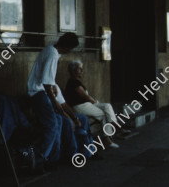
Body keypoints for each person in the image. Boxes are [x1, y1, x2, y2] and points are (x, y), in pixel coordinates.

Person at [26, 32, 79, 163]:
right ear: (68, 47)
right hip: (38, 93)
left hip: (39, 92)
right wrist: (55, 102)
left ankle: (53, 159)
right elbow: (46, 82)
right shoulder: (52, 54)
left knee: (58, 122)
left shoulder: (50, 50)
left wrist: (53, 85)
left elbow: (48, 79)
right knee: (51, 126)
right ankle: (40, 158)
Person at [64, 60, 127, 148]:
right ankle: (108, 138)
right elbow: (85, 96)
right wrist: (94, 102)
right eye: (79, 69)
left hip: (87, 104)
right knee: (104, 115)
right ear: (73, 70)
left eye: (82, 69)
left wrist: (95, 102)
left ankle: (115, 124)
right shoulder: (73, 83)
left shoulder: (77, 82)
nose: (82, 71)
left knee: (107, 106)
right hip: (80, 107)